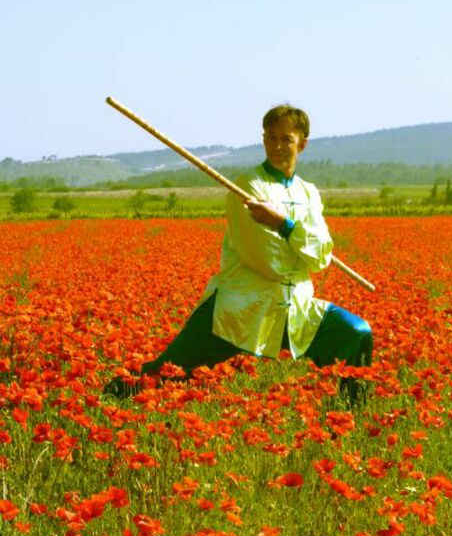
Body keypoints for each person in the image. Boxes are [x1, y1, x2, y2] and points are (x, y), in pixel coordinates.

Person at [104, 105, 372, 400]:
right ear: (263, 140)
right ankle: (115, 395)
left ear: (303, 144)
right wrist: (301, 243)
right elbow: (267, 261)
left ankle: (350, 415)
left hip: (295, 305)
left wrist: (284, 225)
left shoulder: (308, 192)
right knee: (165, 373)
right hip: (241, 305)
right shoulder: (248, 187)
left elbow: (321, 255)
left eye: (286, 139)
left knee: (356, 333)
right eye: (271, 138)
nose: (277, 146)